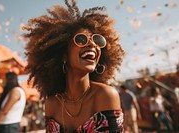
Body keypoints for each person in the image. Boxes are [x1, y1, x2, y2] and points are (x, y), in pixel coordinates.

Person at [23, 0, 125, 132]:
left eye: (97, 40)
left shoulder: (105, 95)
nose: (93, 45)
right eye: (81, 39)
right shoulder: (51, 104)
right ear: (64, 55)